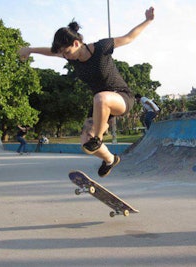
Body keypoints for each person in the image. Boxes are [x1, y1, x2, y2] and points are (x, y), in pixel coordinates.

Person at [18, 7, 155, 177]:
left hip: (121, 97)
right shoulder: (71, 57)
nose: (66, 57)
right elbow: (50, 52)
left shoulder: (101, 47)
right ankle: (110, 159)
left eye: (67, 52)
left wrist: (147, 20)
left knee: (100, 98)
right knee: (85, 143)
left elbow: (129, 37)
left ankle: (98, 139)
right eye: (63, 54)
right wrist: (30, 50)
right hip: (101, 106)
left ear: (76, 43)